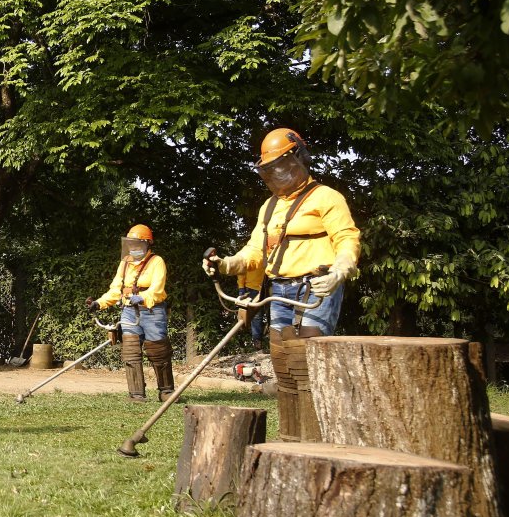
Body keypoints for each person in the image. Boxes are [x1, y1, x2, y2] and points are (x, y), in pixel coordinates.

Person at [204, 128, 359, 441]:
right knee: (284, 366)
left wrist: (340, 271)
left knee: (305, 365)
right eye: (271, 170)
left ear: (300, 158)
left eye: (283, 166)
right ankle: (290, 440)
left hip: (314, 288)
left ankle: (315, 441)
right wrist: (225, 264)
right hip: (280, 291)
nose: (278, 174)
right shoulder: (269, 206)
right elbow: (255, 252)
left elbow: (347, 239)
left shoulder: (327, 198)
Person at [86, 224, 174, 402]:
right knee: (131, 351)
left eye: (137, 245)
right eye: (131, 244)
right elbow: (115, 289)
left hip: (152, 311)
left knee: (158, 351)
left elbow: (158, 289)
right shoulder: (125, 262)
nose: (133, 248)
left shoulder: (157, 261)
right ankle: (136, 394)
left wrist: (141, 297)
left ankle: (166, 392)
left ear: (148, 244)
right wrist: (99, 303)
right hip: (128, 311)